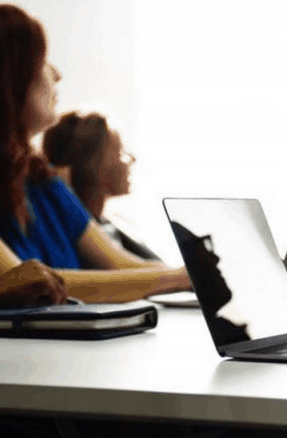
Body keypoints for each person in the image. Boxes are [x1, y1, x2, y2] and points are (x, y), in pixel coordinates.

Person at [0, 5, 189, 302]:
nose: (57, 74)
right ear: (11, 77)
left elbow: (122, 266)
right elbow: (34, 283)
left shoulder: (44, 184)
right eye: (42, 61)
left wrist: (187, 275)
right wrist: (178, 277)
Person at [42, 111, 161, 261]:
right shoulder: (77, 238)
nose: (132, 159)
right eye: (121, 151)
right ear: (91, 164)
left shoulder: (113, 223)